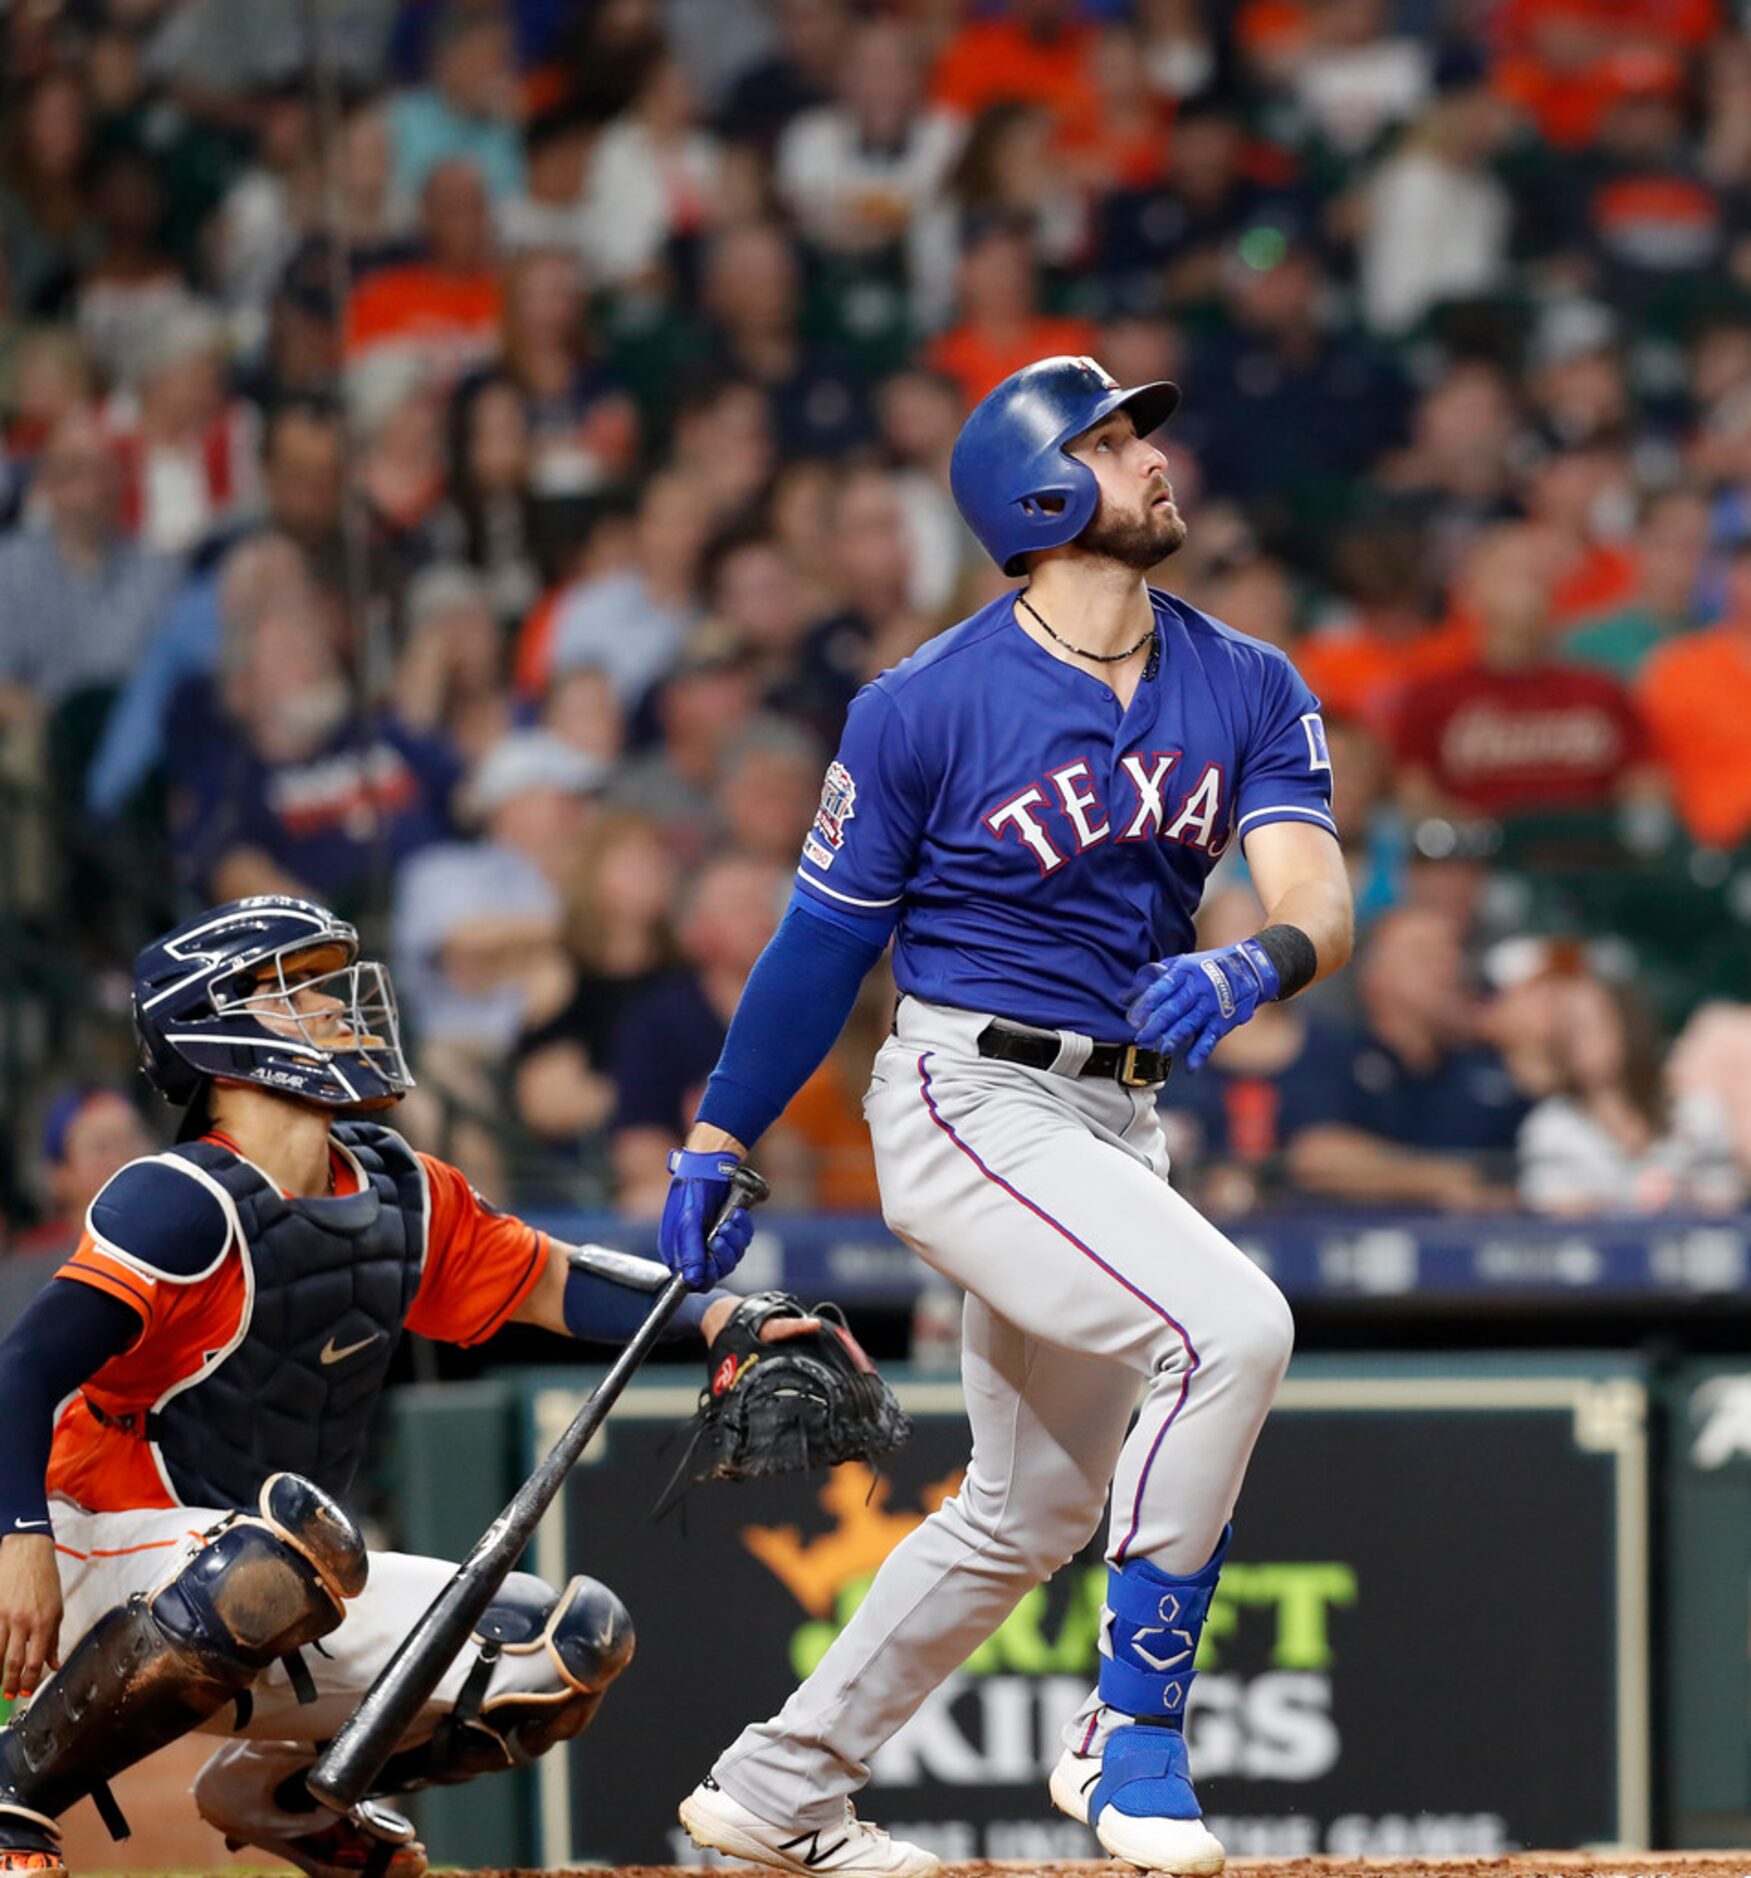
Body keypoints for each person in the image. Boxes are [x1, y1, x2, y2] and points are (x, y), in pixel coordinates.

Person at [660, 355, 1354, 1877]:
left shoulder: (1243, 676)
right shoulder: (922, 704)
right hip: (965, 1092)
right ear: (1034, 493)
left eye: (1138, 437)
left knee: (1025, 1507)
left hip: (1114, 1118)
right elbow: (818, 944)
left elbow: (1316, 891)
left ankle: (776, 1788)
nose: (1149, 460)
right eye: (1108, 442)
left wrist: (1255, 958)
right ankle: (1132, 1731)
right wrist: (719, 1132)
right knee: (1229, 1329)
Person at [0, 893, 805, 1878]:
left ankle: (284, 1800)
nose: (340, 1008)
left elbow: (550, 1279)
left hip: (281, 1579)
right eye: (298, 992)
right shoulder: (177, 1199)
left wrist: (714, 1316)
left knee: (564, 1646)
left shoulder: (399, 1189)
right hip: (90, 1554)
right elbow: (23, 1367)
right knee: (285, 1548)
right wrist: (21, 1539)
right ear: (216, 1029)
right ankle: (17, 1799)